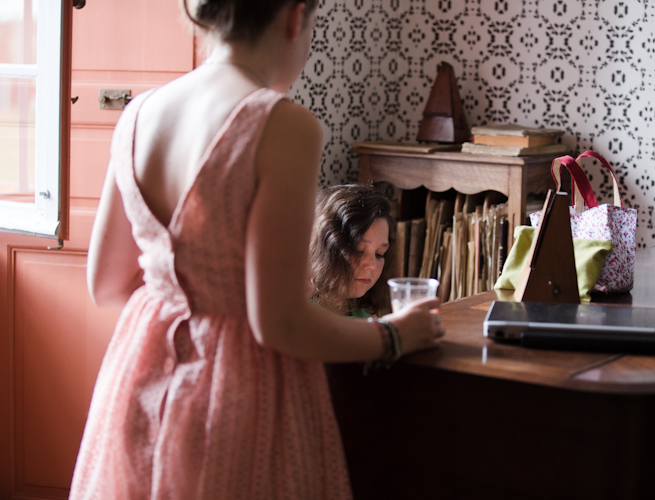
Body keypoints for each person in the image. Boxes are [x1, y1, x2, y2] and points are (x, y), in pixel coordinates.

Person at [71, 1, 444, 498]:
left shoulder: (139, 114)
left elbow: (106, 284)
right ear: (294, 16)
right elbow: (279, 322)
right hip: (237, 400)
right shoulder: (282, 126)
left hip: (138, 382)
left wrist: (187, 303)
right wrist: (393, 336)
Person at [309, 184, 395, 319]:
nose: (371, 264)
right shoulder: (302, 314)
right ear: (325, 250)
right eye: (359, 251)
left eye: (379, 254)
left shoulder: (361, 312)